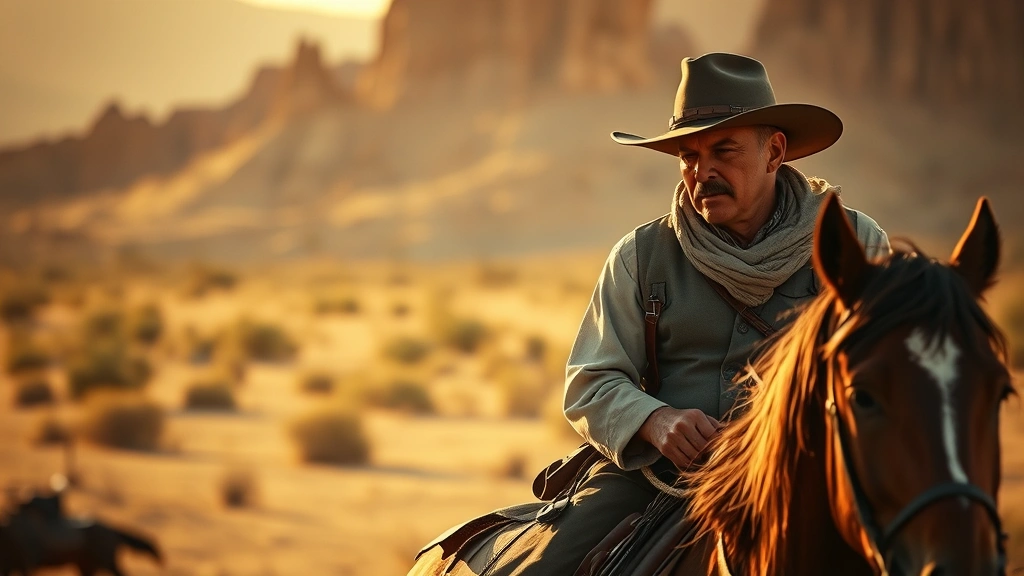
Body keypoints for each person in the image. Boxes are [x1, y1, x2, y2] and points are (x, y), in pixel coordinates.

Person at [513, 53, 891, 575]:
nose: (702, 171)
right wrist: (654, 420)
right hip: (658, 478)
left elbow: (894, 375)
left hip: (815, 479)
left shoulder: (854, 245)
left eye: (723, 150)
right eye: (688, 156)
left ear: (774, 151)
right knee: (547, 568)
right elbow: (590, 383)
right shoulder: (640, 255)